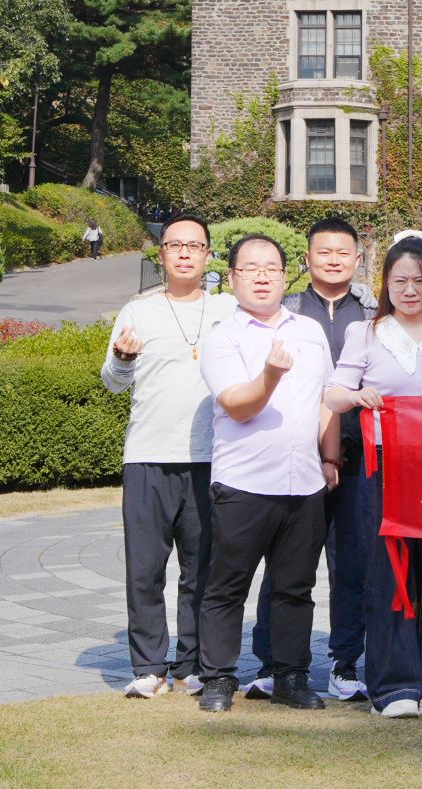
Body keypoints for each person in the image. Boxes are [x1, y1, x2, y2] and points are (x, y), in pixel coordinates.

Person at [324, 233, 422, 719]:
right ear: (385, 283)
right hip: (382, 463)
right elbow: (334, 392)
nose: (410, 290)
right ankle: (393, 685)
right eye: (400, 280)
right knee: (387, 570)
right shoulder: (366, 333)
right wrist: (356, 396)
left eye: (420, 281)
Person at [195, 235, 336, 713]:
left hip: (305, 483)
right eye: (250, 268)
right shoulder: (224, 337)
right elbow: (238, 405)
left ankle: (290, 677)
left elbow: (325, 398)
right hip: (244, 483)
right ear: (232, 277)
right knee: (228, 586)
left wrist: (330, 458)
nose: (261, 277)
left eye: (271, 268)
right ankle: (218, 678)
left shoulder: (310, 331)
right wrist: (271, 376)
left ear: (284, 275)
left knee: (295, 589)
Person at [102, 213, 235, 699]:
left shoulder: (227, 309)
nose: (184, 253)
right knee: (145, 568)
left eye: (193, 245)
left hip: (210, 458)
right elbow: (112, 382)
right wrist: (123, 358)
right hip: (148, 455)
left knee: (202, 569)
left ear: (208, 255)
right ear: (161, 254)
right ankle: (148, 667)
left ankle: (191, 664)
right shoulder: (138, 312)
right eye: (174, 244)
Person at [268, 217, 374, 703]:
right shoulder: (287, 312)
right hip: (295, 457)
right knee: (287, 564)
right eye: (324, 252)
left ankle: (344, 661)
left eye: (343, 252)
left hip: (359, 458)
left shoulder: (373, 314)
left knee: (352, 563)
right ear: (307, 258)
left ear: (358, 259)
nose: (333, 260)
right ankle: (273, 662)